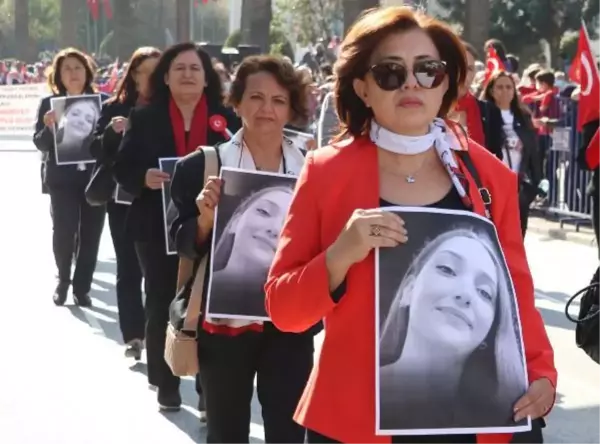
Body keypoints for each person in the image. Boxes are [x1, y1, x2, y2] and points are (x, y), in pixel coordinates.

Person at [265, 7, 557, 444]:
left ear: (446, 83)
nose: (411, 83)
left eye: (428, 70)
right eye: (390, 72)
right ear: (362, 87)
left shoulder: (488, 176)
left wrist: (541, 373)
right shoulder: (325, 173)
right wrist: (340, 255)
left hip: (476, 417)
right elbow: (284, 310)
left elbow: (514, 289)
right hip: (355, 420)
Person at [169, 54, 314, 444]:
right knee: (227, 431)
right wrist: (203, 219)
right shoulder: (202, 165)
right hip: (223, 326)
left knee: (288, 432)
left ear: (292, 108)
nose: (267, 109)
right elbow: (180, 241)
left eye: (279, 100)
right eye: (256, 97)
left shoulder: (314, 169)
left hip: (290, 325)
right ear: (236, 103)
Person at [113, 42, 238, 412]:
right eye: (179, 68)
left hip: (211, 224)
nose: (187, 74)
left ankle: (206, 390)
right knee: (160, 301)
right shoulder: (146, 116)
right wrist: (142, 177)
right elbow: (122, 167)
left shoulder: (224, 117)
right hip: (155, 225)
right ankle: (166, 382)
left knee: (208, 306)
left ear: (206, 78)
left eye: (195, 69)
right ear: (165, 77)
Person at [379, 227, 525, 430]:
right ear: (408, 290)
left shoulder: (504, 418)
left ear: (491, 330)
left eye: (484, 292)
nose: (465, 294)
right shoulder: (356, 393)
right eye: (447, 270)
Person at [90, 46, 161, 360]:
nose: (151, 78)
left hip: (162, 200)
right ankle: (133, 334)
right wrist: (111, 132)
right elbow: (95, 149)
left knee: (159, 271)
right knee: (128, 267)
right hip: (122, 200)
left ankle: (158, 331)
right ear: (133, 74)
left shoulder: (172, 109)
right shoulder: (114, 107)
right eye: (144, 71)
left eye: (157, 71)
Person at [33, 47, 108, 307]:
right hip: (62, 180)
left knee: (91, 234)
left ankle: (82, 286)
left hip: (94, 179)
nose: (73, 73)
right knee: (64, 231)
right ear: (59, 76)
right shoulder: (48, 104)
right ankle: (63, 279)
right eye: (67, 69)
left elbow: (111, 142)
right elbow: (40, 144)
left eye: (78, 68)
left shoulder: (103, 102)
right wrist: (49, 127)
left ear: (87, 72)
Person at [210, 184, 295, 318]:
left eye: (288, 224)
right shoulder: (200, 293)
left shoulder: (290, 310)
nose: (275, 229)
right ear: (235, 222)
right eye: (264, 212)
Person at [481, 71, 541, 237]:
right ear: (491, 90)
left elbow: (533, 152)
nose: (505, 91)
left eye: (509, 87)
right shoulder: (485, 115)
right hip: (493, 186)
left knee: (518, 235)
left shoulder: (523, 116)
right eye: (499, 87)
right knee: (495, 234)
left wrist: (535, 184)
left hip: (518, 185)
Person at [55, 96, 101, 164]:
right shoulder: (53, 151)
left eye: (89, 120)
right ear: (64, 117)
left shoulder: (95, 156)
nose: (81, 121)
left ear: (92, 130)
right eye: (75, 114)